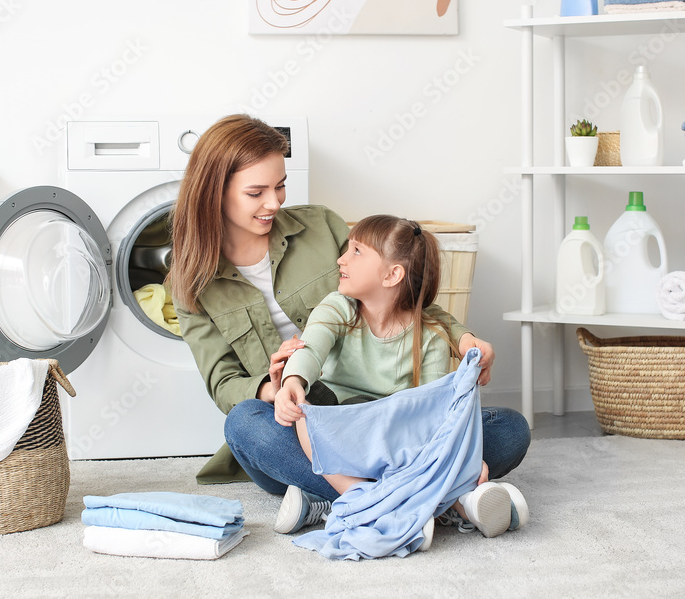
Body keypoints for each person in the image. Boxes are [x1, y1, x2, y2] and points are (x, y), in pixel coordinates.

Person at [166, 113, 529, 507]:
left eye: (281, 186)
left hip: (385, 413)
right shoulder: (190, 282)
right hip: (305, 417)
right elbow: (223, 383)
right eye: (256, 193)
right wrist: (280, 389)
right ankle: (425, 487)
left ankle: (356, 498)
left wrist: (464, 337)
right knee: (243, 425)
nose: (274, 202)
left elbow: (399, 295)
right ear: (214, 192)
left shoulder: (321, 225)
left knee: (509, 428)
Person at [272, 215, 528, 544]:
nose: (341, 259)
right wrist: (293, 380)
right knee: (252, 422)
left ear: (393, 274)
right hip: (344, 433)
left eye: (356, 251)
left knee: (509, 428)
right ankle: (445, 499)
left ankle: (356, 500)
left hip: (402, 443)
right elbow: (311, 347)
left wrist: (453, 449)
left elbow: (433, 412)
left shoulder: (431, 335)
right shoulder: (338, 308)